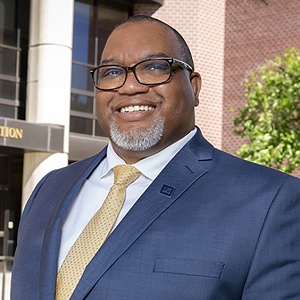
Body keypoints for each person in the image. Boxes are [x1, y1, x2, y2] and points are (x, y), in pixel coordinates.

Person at [11, 15, 300, 300]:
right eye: (111, 72)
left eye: (154, 67)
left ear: (194, 87)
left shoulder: (271, 203)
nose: (129, 86)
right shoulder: (48, 189)